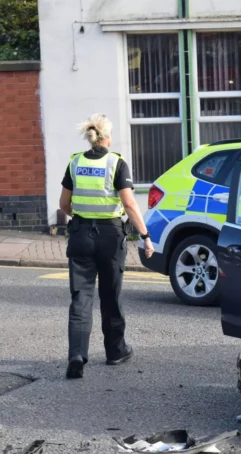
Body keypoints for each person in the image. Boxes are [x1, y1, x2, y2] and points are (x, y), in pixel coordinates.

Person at [59, 114, 155, 379]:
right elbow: (130, 205)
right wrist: (145, 236)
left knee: (81, 297)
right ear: (106, 137)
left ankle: (77, 355)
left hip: (80, 233)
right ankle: (115, 351)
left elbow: (63, 204)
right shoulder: (116, 163)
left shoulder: (75, 162)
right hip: (110, 237)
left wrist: (80, 218)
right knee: (110, 295)